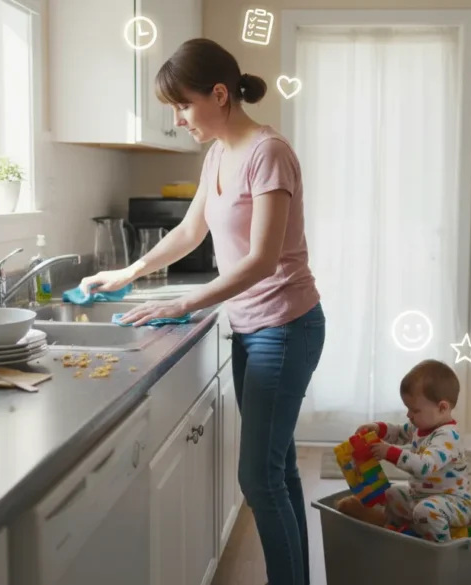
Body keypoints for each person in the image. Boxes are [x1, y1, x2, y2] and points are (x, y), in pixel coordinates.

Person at [79, 38, 325, 585]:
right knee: (275, 470)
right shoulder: (217, 153)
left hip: (285, 326)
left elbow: (262, 260)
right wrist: (128, 273)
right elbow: (192, 232)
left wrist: (184, 302)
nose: (178, 118)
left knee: (258, 478)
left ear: (219, 94)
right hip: (253, 327)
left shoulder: (269, 152)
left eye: (183, 105)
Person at [356, 359, 471, 542]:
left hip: (453, 503)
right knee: (391, 494)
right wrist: (378, 429)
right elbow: (399, 433)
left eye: (415, 410)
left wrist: (389, 453)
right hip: (420, 497)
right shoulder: (421, 427)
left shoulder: (448, 437)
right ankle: (398, 531)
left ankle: (442, 547)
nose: (409, 415)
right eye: (408, 409)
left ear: (442, 408)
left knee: (425, 511)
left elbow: (424, 466)